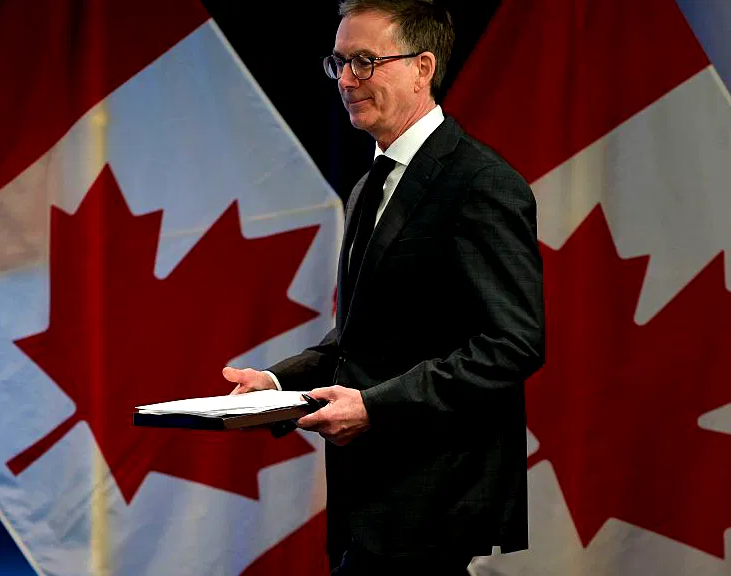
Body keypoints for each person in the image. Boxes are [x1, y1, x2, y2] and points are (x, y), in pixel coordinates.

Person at [223, 1, 544, 573]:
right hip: (370, 498)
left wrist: (375, 407)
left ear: (424, 67)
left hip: (432, 497)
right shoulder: (370, 183)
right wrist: (276, 384)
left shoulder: (481, 183)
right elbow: (363, 335)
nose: (346, 81)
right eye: (339, 63)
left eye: (365, 62)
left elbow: (513, 344)